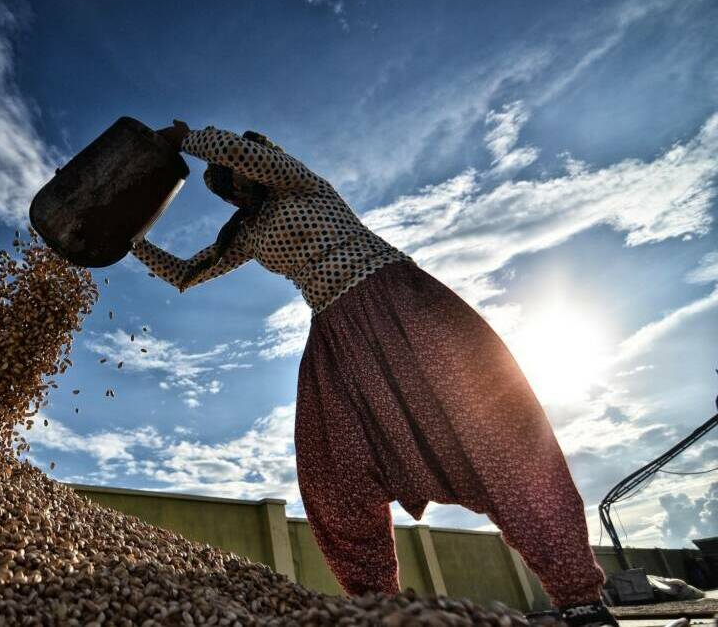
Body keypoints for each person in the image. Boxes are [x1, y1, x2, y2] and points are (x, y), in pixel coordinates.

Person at [131, 120, 618, 627]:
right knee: (332, 467)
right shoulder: (248, 234)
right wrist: (130, 239)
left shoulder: (300, 181)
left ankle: (579, 597)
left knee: (494, 431)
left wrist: (184, 136)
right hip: (336, 339)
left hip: (400, 306)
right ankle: (378, 607)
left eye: (232, 172)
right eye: (224, 185)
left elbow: (243, 154)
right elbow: (187, 273)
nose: (232, 186)